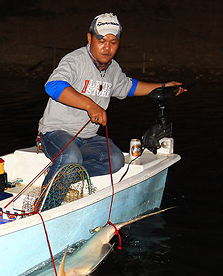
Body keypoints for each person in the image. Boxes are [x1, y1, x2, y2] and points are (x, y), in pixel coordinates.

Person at [36, 12, 184, 182]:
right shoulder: (75, 61)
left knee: (115, 159)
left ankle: (67, 179)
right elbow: (53, 85)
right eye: (101, 41)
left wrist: (164, 86)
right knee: (71, 157)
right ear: (89, 38)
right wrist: (90, 105)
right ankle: (46, 203)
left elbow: (129, 86)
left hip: (87, 137)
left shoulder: (113, 69)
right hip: (55, 132)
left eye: (113, 42)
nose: (107, 48)